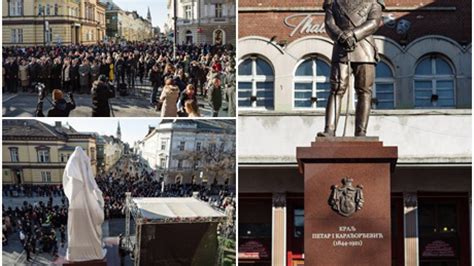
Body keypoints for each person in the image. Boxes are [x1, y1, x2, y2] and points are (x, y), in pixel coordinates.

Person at [318, 0, 383, 137]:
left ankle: (361, 132)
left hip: (365, 49)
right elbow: (329, 23)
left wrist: (353, 34)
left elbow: (374, 22)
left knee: (364, 91)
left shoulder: (373, 2)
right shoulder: (333, 2)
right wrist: (341, 36)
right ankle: (329, 129)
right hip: (341, 49)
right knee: (336, 89)